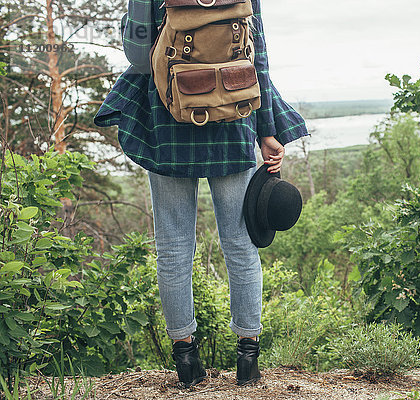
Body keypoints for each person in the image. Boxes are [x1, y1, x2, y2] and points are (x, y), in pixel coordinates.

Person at [93, 0, 308, 388]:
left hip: (170, 118)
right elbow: (257, 56)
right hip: (233, 114)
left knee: (174, 249)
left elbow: (139, 57)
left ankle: (186, 362)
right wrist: (268, 129)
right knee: (241, 245)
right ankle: (248, 359)